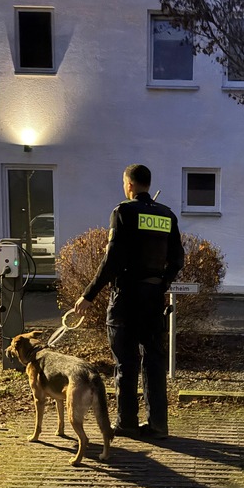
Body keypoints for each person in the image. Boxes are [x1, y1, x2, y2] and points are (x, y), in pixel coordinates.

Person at [74, 163, 184, 440]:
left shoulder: (123, 212)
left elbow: (111, 261)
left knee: (126, 362)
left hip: (127, 298)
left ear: (130, 185)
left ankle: (126, 423)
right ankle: (158, 424)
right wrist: (162, 282)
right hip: (153, 297)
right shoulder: (167, 215)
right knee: (155, 360)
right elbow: (178, 259)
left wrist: (88, 295)